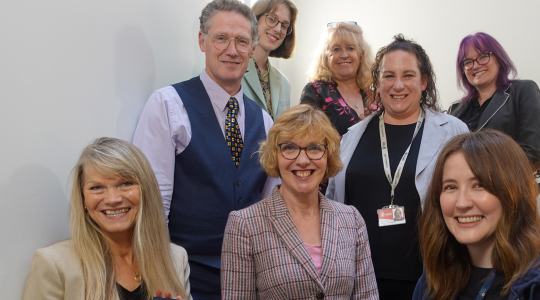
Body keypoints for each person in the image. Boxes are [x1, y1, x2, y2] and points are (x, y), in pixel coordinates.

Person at [132, 0, 279, 298]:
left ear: (252, 49)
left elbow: (269, 204)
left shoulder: (264, 120)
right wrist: (161, 276)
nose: (232, 50)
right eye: (221, 38)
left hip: (249, 277)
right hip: (186, 276)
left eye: (241, 41)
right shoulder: (167, 104)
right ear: (203, 41)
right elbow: (153, 203)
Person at [326, 34, 469, 299]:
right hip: (359, 279)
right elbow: (333, 203)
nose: (398, 85)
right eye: (389, 76)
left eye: (408, 75)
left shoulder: (453, 132)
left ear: (424, 81)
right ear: (378, 83)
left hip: (429, 279)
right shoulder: (352, 136)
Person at [221, 104, 378, 299]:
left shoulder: (352, 221)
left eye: (314, 148)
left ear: (328, 155)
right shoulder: (244, 225)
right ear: (274, 156)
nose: (303, 160)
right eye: (289, 148)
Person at [413, 130, 540, 300]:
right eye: (451, 187)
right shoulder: (434, 278)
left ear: (512, 194)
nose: (462, 203)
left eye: (479, 185)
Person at [22, 137, 190, 300]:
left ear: (146, 191)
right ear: (83, 200)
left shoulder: (176, 259)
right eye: (96, 187)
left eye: (125, 184)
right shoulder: (54, 264)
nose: (112, 199)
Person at [447, 32, 540, 164]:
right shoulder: (454, 110)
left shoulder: (523, 90)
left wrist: (485, 177)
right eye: (468, 62)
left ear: (499, 59)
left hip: (504, 182)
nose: (475, 66)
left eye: (483, 56)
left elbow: (531, 149)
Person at [300, 21, 374, 137]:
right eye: (336, 49)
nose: (344, 55)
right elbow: (306, 137)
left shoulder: (373, 95)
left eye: (350, 48)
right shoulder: (315, 91)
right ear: (325, 58)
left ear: (361, 55)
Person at [242, 0, 297, 118]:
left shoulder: (284, 83)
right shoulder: (233, 70)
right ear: (255, 19)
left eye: (284, 26)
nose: (278, 29)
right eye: (272, 19)